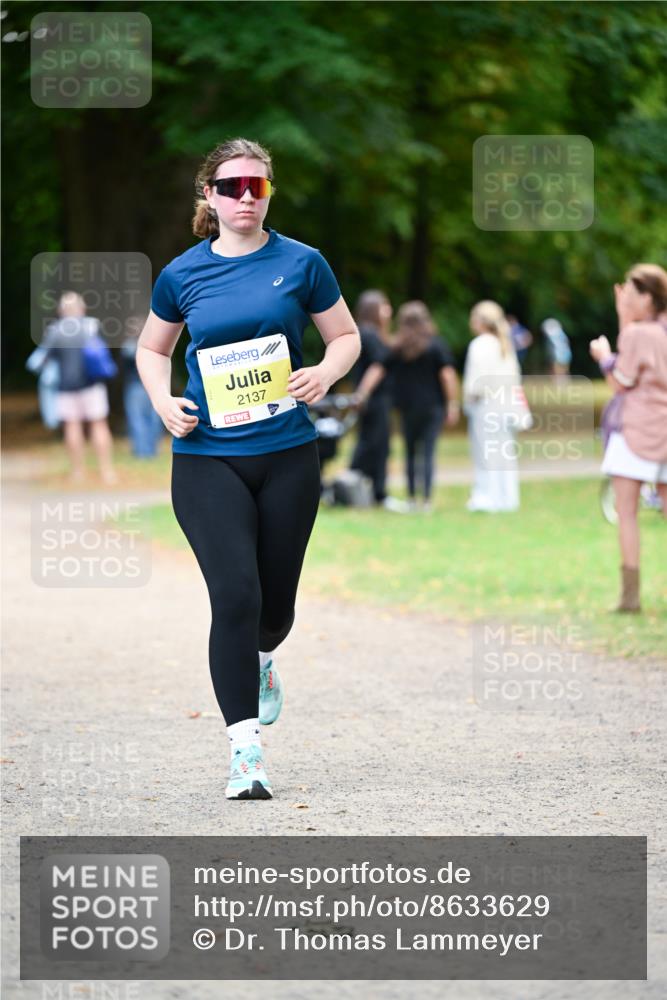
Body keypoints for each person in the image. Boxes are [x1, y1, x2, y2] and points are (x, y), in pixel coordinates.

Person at [137, 137, 360, 800]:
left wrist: (323, 371)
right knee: (235, 597)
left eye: (255, 186)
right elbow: (153, 350)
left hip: (288, 455)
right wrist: (161, 401)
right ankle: (245, 753)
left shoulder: (302, 263)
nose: (243, 197)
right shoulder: (182, 274)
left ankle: (263, 659)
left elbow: (345, 336)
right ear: (208, 195)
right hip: (206, 458)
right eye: (230, 186)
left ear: (268, 193)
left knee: (273, 609)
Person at [589, 263, 667, 612]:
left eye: (632, 295)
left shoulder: (639, 335)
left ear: (648, 298)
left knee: (627, 511)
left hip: (636, 429)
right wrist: (624, 316)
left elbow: (621, 381)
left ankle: (630, 597)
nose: (627, 299)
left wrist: (604, 357)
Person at [357, 301, 460, 512]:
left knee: (411, 453)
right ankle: (427, 500)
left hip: (407, 407)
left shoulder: (398, 347)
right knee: (428, 452)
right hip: (433, 407)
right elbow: (447, 375)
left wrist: (362, 393)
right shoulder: (436, 345)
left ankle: (412, 498)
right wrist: (453, 404)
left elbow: (378, 369)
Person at [42, 291, 117, 485]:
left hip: (66, 387)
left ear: (61, 310)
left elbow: (45, 359)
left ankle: (78, 473)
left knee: (72, 426)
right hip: (92, 384)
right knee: (99, 425)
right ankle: (107, 471)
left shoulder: (55, 331)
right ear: (82, 308)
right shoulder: (91, 326)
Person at [463, 300, 524, 513]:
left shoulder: (480, 345)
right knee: (504, 453)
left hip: (486, 406)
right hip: (505, 405)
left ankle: (486, 497)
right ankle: (507, 497)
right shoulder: (504, 344)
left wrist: (469, 400)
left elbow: (475, 383)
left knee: (485, 453)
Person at [348, 289, 404, 511]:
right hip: (374, 399)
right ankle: (365, 489)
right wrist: (363, 393)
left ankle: (373, 491)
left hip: (378, 399)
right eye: (384, 306)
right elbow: (378, 367)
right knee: (373, 444)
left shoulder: (372, 334)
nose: (389, 311)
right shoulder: (369, 333)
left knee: (377, 444)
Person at [121, 315, 165, 457]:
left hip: (136, 387)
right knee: (152, 417)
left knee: (138, 418)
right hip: (153, 385)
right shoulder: (154, 346)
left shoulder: (129, 347)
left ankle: (143, 452)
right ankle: (151, 450)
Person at [541, 317, 572, 381]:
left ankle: (560, 381)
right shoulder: (561, 334)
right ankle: (562, 381)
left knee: (559, 369)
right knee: (562, 369)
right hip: (563, 354)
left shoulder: (554, 336)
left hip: (558, 355)